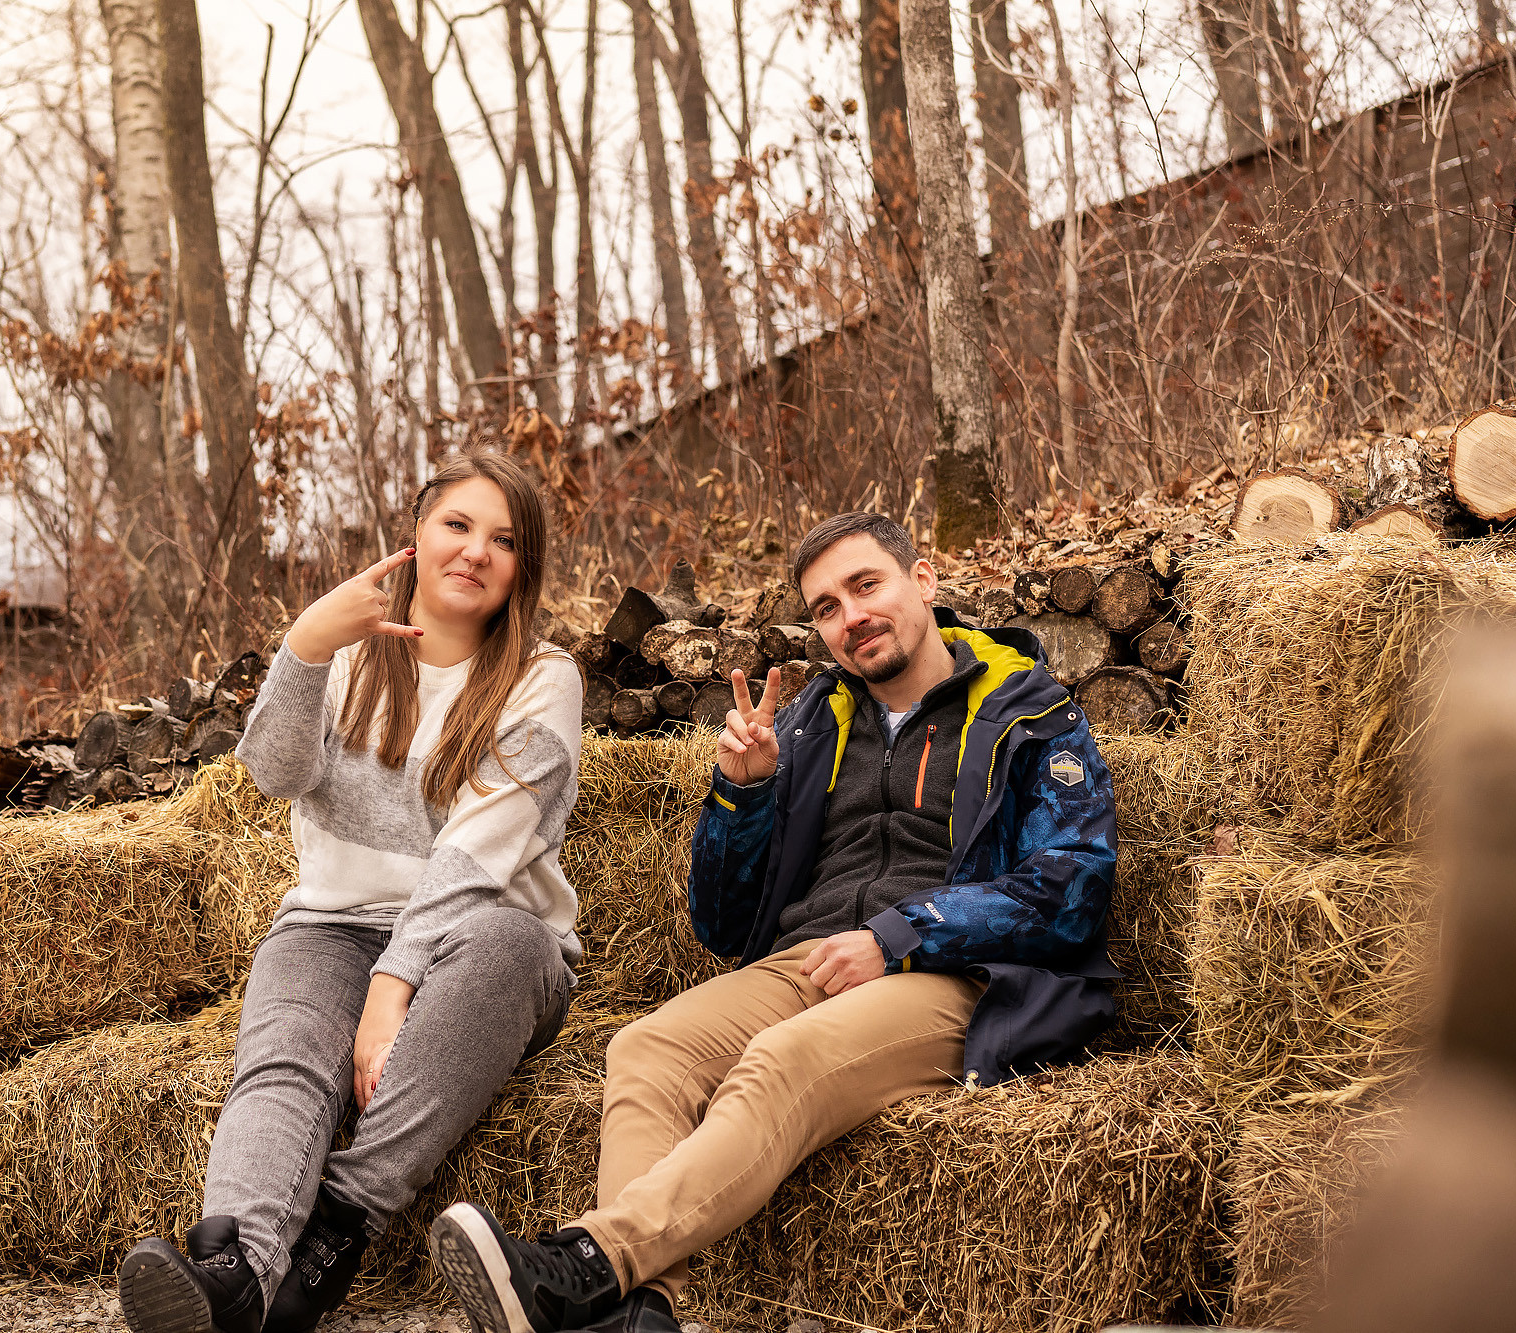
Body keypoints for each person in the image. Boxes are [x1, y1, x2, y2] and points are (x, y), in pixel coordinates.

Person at [426, 511, 1120, 1333]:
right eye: (826, 606)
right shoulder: (808, 720)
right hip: (808, 961)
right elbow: (721, 922)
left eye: (867, 585)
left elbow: (1071, 882)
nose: (850, 615)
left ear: (923, 581)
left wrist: (901, 935)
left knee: (780, 1060)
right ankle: (643, 1315)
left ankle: (586, 1263)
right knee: (645, 1048)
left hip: (957, 974)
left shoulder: (1030, 712)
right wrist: (743, 795)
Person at [118, 452, 585, 1333]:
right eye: (457, 525)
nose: (476, 552)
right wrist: (305, 645)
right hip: (331, 928)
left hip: (483, 939)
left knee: (512, 942)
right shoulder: (344, 651)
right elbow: (272, 771)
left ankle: (342, 1224)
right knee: (287, 1056)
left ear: (524, 567)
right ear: (415, 531)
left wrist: (392, 985)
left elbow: (474, 860)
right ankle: (234, 1274)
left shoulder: (543, 677)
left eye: (505, 540)